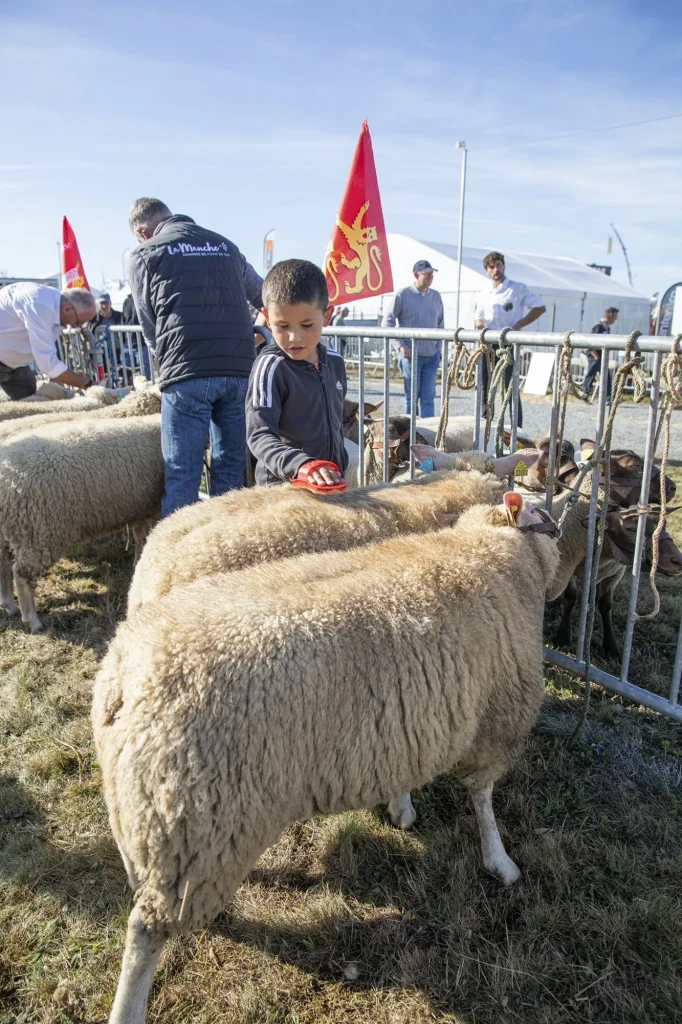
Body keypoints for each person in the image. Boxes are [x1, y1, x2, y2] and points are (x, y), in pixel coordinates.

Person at [127, 197, 264, 517]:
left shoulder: (145, 253)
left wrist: (164, 367)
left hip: (186, 373)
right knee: (230, 473)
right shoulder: (226, 246)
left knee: (182, 475)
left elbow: (149, 324)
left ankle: (177, 561)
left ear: (141, 231)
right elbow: (264, 294)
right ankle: (227, 554)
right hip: (238, 370)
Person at [246, 259, 348, 489]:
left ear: (327, 316)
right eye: (283, 326)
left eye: (306, 325)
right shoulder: (270, 367)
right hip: (283, 488)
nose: (294, 337)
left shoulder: (335, 362)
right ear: (267, 319)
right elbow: (259, 435)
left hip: (329, 483)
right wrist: (303, 465)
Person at [474, 251, 546, 427]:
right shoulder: (483, 291)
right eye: (491, 266)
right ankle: (485, 427)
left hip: (508, 343)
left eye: (498, 265)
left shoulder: (517, 288)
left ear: (503, 266)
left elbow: (540, 306)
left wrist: (518, 326)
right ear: (486, 270)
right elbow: (479, 317)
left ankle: (516, 430)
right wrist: (482, 331)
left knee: (510, 388)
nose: (495, 269)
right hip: (489, 345)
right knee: (485, 387)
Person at [0, 282, 94, 399]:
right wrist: (87, 384)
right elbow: (48, 363)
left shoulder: (57, 307)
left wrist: (58, 379)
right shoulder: (39, 305)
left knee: (31, 403)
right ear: (68, 309)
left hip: (16, 365)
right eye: (78, 322)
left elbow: (48, 354)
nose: (77, 327)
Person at [382, 260, 444, 417]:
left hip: (431, 356)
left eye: (432, 274)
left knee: (429, 397)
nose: (430, 277)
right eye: (426, 274)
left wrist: (439, 349)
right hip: (411, 356)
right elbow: (387, 322)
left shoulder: (436, 296)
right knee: (411, 397)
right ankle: (411, 432)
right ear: (416, 275)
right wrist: (400, 346)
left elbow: (441, 323)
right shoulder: (403, 295)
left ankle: (427, 433)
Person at [583, 306, 618, 400]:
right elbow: (589, 342)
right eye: (615, 316)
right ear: (610, 315)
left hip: (602, 357)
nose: (616, 319)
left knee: (606, 377)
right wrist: (596, 356)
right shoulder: (598, 327)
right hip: (595, 356)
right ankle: (584, 393)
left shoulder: (607, 328)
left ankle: (608, 397)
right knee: (591, 375)